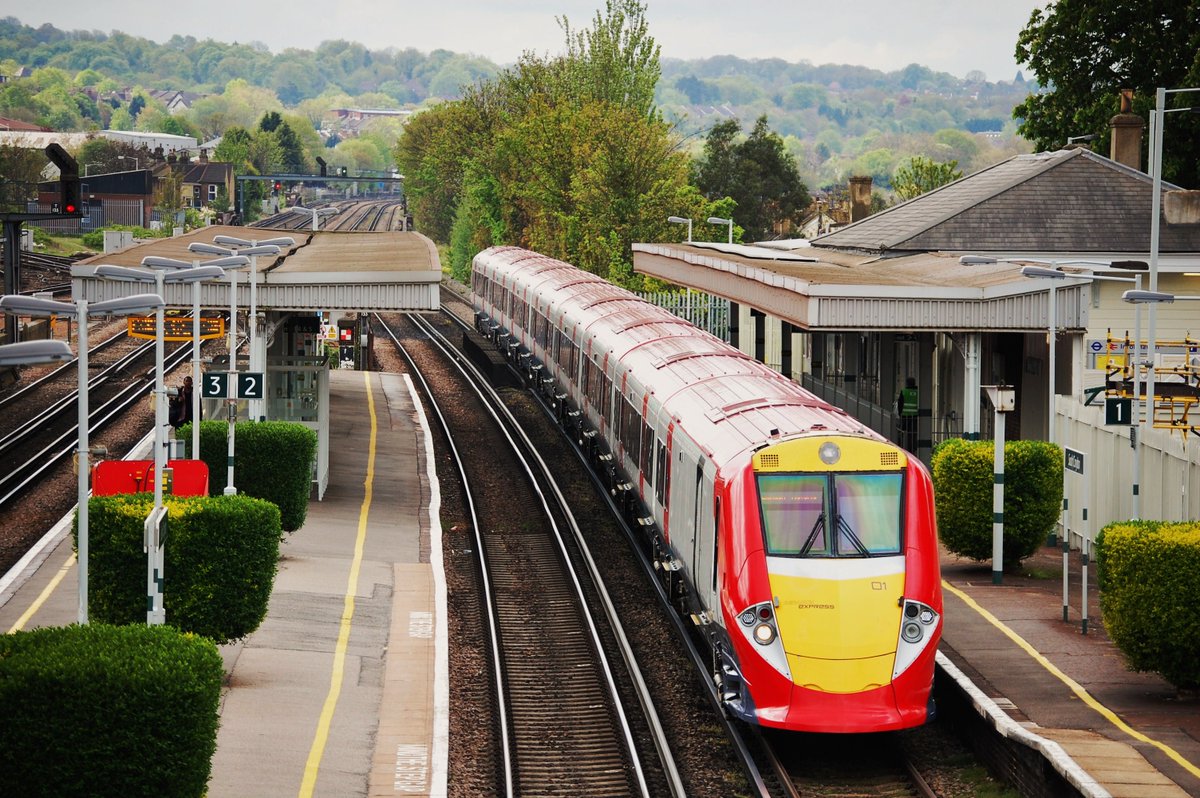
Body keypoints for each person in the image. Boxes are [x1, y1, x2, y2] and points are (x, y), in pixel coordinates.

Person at [895, 376, 918, 451]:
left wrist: (899, 413)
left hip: (905, 416)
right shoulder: (918, 392)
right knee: (913, 433)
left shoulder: (904, 391)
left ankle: (901, 447)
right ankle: (912, 448)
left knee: (902, 432)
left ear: (907, 383)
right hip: (915, 417)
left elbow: (900, 404)